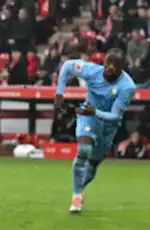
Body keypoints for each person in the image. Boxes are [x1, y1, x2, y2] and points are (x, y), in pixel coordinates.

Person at [53, 49, 137, 214]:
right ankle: (76, 196)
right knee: (84, 150)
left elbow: (114, 116)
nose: (110, 68)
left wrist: (95, 112)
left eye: (115, 65)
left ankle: (81, 187)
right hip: (88, 117)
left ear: (122, 68)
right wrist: (59, 93)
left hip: (107, 125)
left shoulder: (127, 86)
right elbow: (68, 66)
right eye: (108, 64)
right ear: (104, 63)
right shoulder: (92, 71)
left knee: (93, 164)